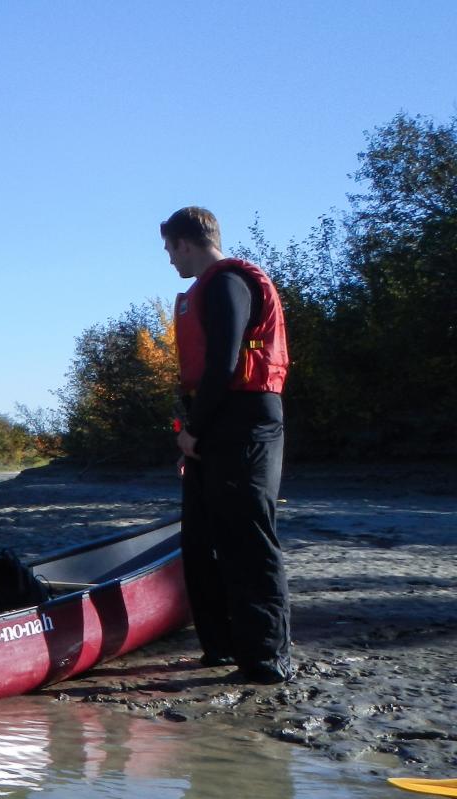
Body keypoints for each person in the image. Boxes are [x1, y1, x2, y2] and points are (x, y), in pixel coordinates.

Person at [160, 206, 292, 684]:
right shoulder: (206, 288)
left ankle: (265, 658)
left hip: (244, 421)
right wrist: (193, 432)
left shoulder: (226, 282)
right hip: (216, 421)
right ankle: (220, 646)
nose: (170, 261)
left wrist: (193, 429)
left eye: (170, 250)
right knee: (200, 539)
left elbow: (224, 363)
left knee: (246, 537)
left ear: (185, 242)